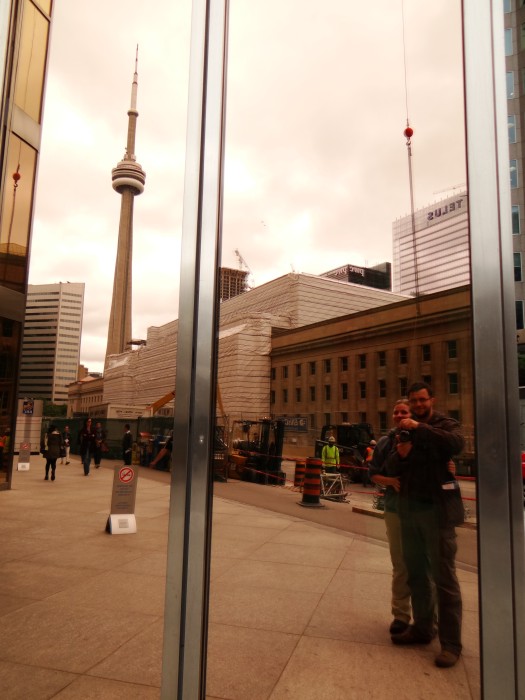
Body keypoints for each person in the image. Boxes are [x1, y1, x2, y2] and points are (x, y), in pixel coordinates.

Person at [387, 382, 464, 669]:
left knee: (445, 579)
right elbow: (393, 466)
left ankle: (451, 644)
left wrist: (420, 430)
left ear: (432, 399)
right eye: (414, 401)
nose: (418, 405)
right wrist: (402, 453)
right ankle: (422, 628)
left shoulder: (443, 424)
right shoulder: (404, 430)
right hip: (411, 511)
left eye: (422, 400)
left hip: (438, 513)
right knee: (417, 573)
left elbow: (455, 444)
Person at [369, 400, 412, 635]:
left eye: (403, 412)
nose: (398, 415)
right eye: (396, 412)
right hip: (395, 508)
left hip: (421, 509)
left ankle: (428, 618)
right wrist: (390, 482)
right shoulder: (385, 442)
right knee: (400, 565)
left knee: (424, 566)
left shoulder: (424, 438)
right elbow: (373, 473)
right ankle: (401, 615)